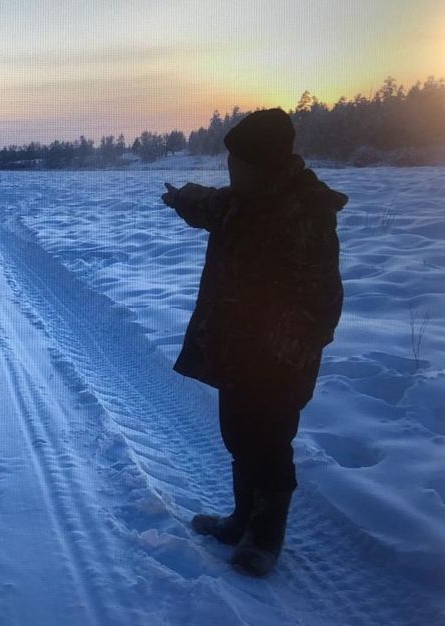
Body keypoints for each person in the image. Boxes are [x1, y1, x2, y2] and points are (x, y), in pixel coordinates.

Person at [161, 108, 346, 577]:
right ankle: (241, 518)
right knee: (238, 434)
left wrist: (290, 352)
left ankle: (265, 536)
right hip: (236, 346)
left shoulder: (305, 211)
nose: (230, 169)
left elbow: (322, 299)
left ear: (263, 163)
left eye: (237, 161)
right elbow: (207, 204)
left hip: (280, 357)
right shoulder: (241, 200)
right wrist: (181, 197)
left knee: (269, 442)